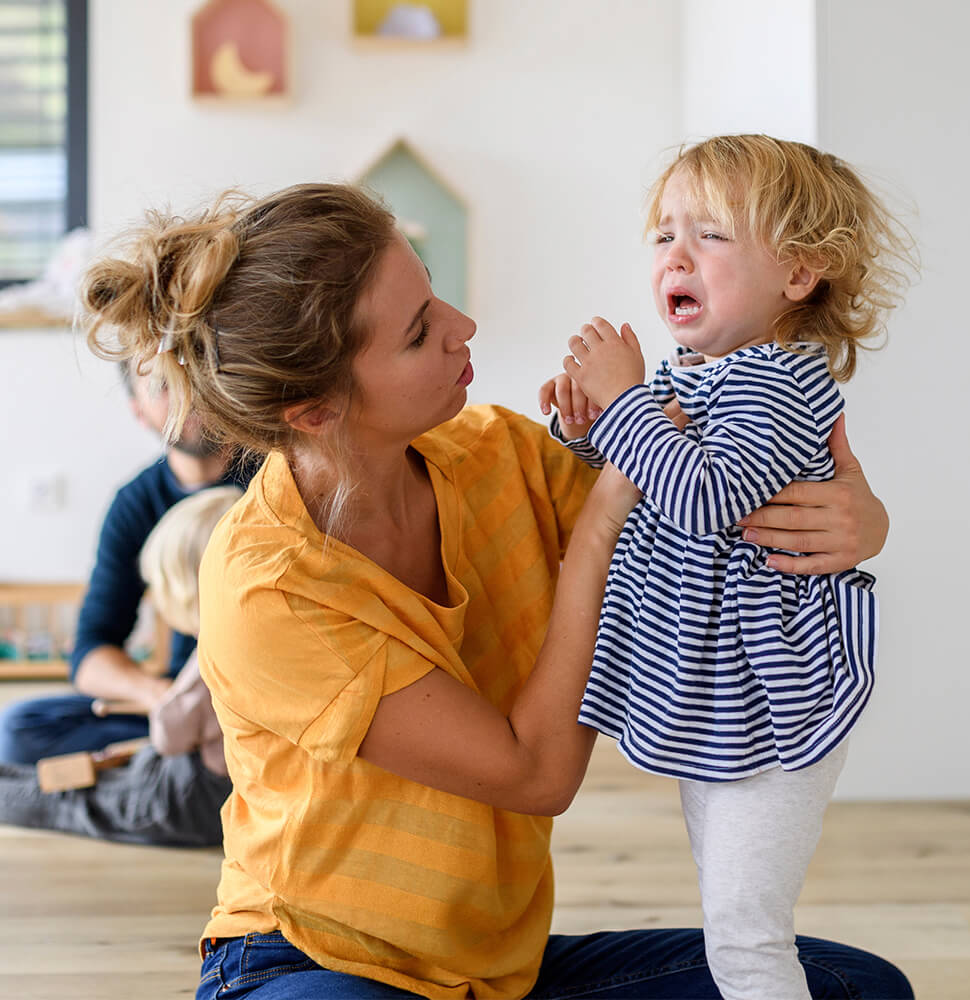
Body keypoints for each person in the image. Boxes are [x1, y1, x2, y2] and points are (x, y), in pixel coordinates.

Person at [80, 182, 912, 999]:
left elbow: (704, 520)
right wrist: (597, 531)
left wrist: (859, 519)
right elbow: (536, 774)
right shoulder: (268, 586)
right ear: (313, 411)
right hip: (313, 965)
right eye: (418, 332)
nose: (464, 328)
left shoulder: (493, 451)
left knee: (853, 987)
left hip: (499, 972)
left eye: (435, 295)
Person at [539, 134, 916, 999]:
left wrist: (628, 404)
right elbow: (649, 481)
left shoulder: (780, 384)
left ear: (798, 274)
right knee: (730, 925)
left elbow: (702, 494)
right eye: (666, 233)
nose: (676, 253)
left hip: (772, 700)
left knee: (747, 940)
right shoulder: (706, 375)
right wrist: (584, 429)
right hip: (718, 695)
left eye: (710, 235)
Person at [0, 364, 256, 765]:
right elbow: (90, 653)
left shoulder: (276, 474)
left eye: (193, 374)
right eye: (161, 386)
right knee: (18, 729)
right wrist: (165, 699)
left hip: (263, 694)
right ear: (139, 411)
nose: (185, 394)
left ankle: (166, 775)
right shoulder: (134, 503)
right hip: (182, 698)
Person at [0, 486, 238, 846]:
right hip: (193, 779)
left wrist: (164, 717)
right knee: (44, 751)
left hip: (189, 796)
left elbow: (169, 735)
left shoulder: (213, 651)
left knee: (71, 803)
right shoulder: (251, 636)